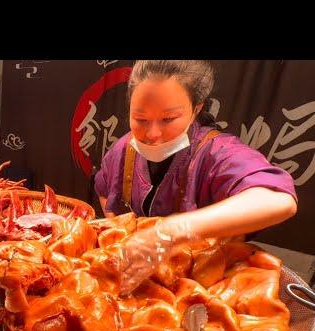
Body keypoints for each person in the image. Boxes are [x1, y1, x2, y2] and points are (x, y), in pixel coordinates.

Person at [94, 60, 298, 295]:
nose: (152, 134)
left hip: (201, 291)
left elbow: (279, 200)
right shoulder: (124, 149)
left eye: (168, 119)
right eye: (140, 119)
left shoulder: (217, 153)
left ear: (196, 110)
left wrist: (172, 232)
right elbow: (104, 188)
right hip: (134, 285)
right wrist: (124, 238)